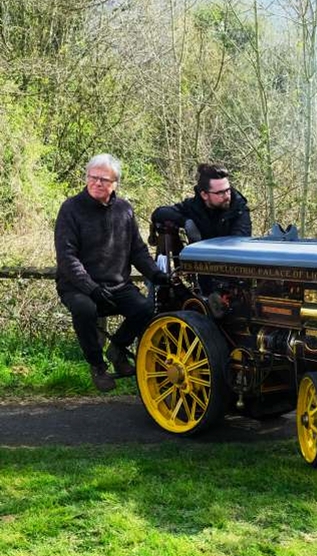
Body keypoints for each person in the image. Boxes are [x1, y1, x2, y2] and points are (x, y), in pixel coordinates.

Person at [54, 154, 171, 392]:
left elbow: (137, 250)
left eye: (104, 179)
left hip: (117, 284)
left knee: (145, 308)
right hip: (76, 286)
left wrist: (155, 274)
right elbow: (67, 257)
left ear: (115, 183)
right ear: (87, 178)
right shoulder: (70, 209)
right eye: (93, 177)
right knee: (85, 309)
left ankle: (117, 349)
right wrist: (91, 289)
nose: (97, 183)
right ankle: (98, 365)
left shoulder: (124, 210)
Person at [151, 163, 251, 242]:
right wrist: (186, 222)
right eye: (220, 193)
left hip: (230, 264)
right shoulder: (194, 207)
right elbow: (159, 213)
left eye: (228, 190)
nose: (226, 196)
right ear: (204, 195)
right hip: (197, 263)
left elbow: (238, 244)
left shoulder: (239, 210)